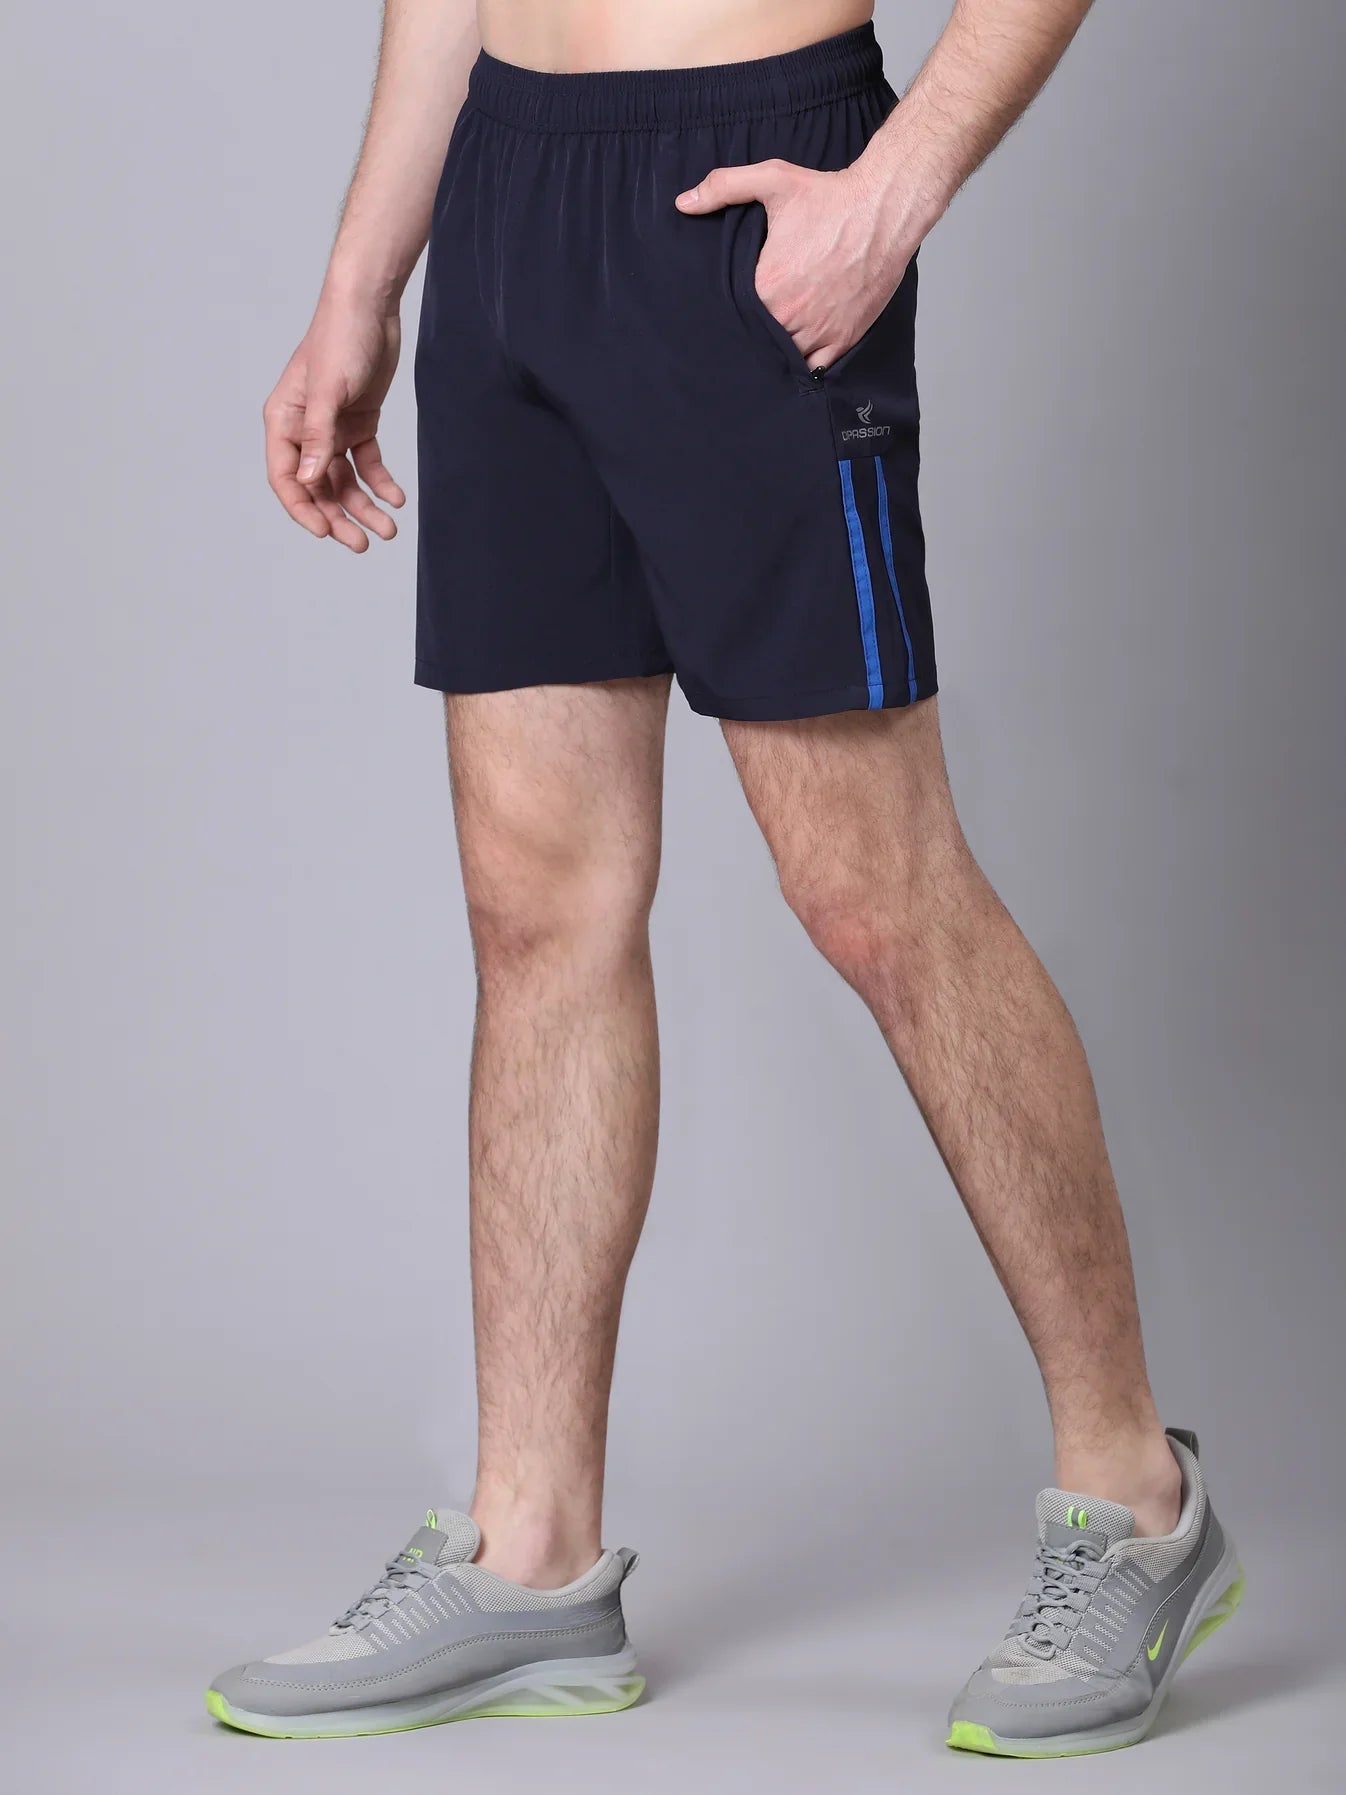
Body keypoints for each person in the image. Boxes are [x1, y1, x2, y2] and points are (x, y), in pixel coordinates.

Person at [208, 0, 1243, 1756]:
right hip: (506, 197)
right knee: (533, 906)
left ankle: (1135, 1498)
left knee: (874, 892)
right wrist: (361, 283)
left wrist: (894, 185)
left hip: (743, 188)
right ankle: (531, 1555)